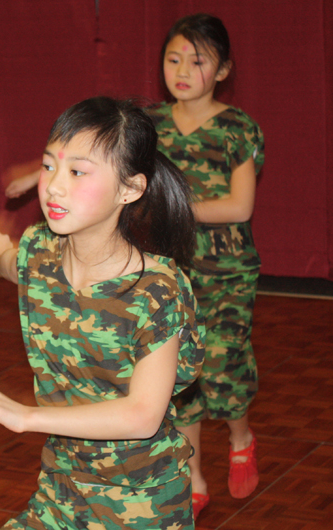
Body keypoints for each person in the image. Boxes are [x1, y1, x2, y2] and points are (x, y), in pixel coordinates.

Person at [0, 96, 206, 530]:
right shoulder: (39, 250)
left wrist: (26, 415)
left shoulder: (156, 291)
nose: (54, 186)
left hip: (141, 504)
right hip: (60, 490)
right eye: (49, 165)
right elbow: (10, 263)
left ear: (129, 189)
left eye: (77, 172)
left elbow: (143, 415)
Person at [147, 13, 265, 519]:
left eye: (197, 61)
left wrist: (172, 207)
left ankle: (241, 438)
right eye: (173, 59)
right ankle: (193, 477)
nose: (183, 70)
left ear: (222, 71)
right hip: (170, 270)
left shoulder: (238, 128)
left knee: (221, 364)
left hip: (229, 270)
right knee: (178, 375)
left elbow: (239, 208)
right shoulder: (148, 125)